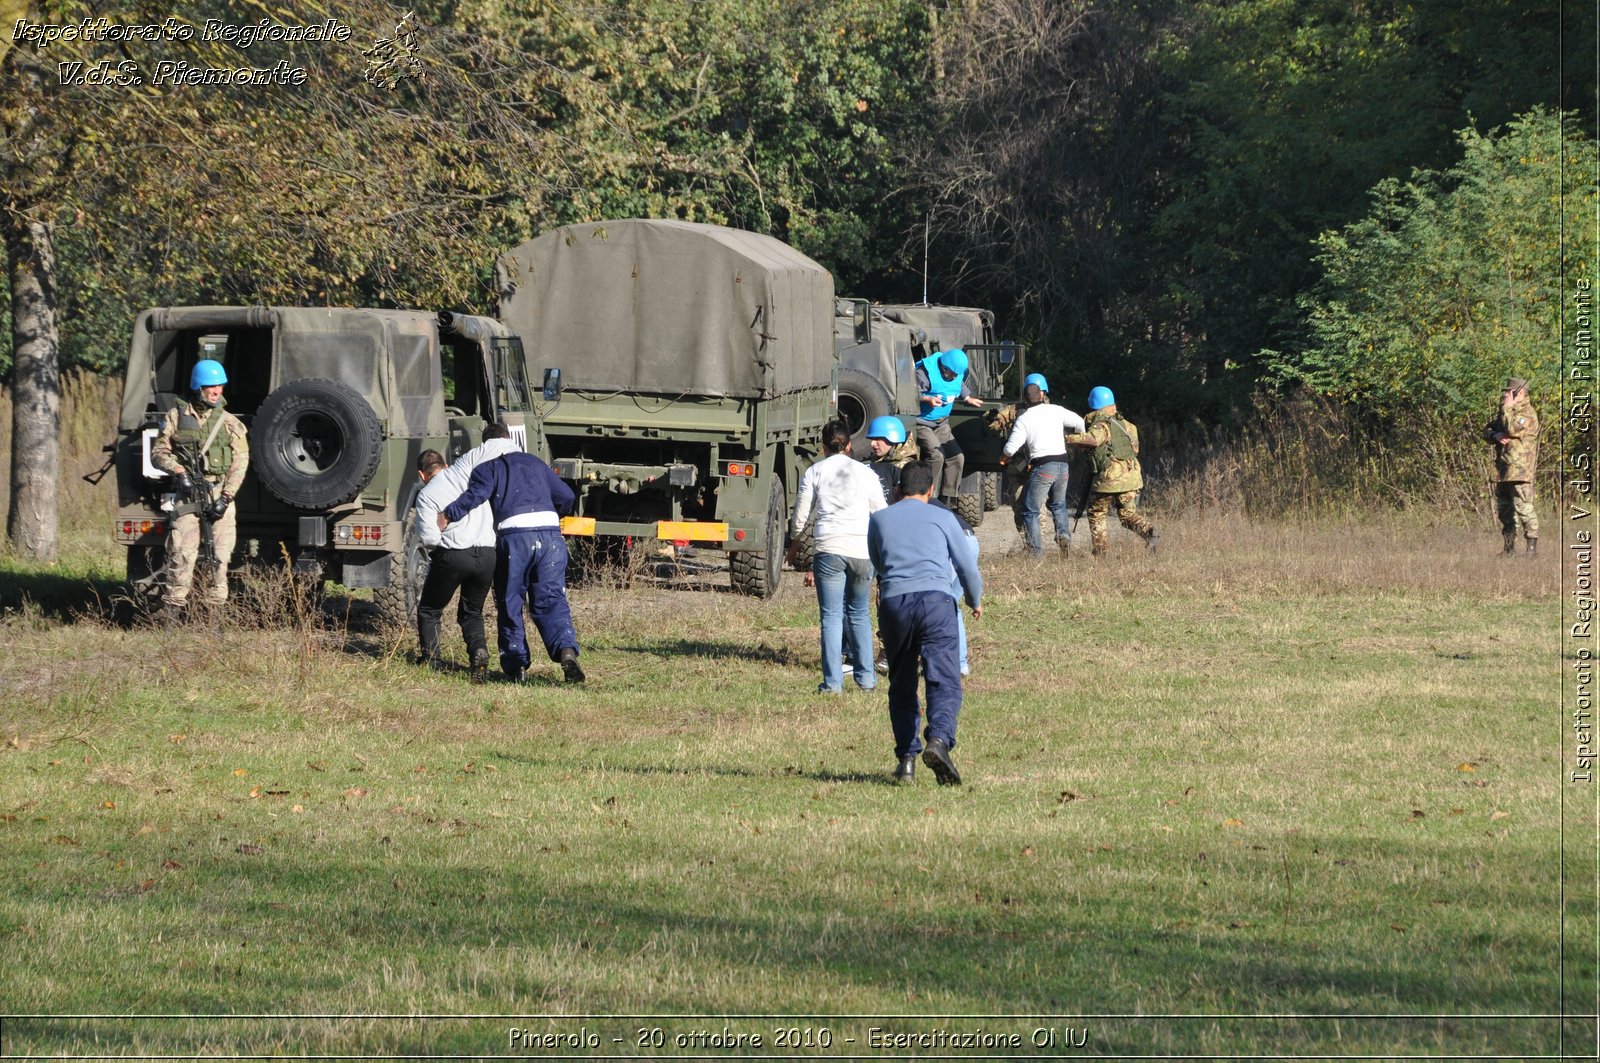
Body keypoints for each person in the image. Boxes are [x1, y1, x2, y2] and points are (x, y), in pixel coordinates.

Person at [867, 461, 983, 786]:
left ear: (898, 489)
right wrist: (975, 600)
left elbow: (878, 560)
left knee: (901, 683)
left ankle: (906, 759)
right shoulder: (944, 517)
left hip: (895, 605)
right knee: (943, 679)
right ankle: (939, 741)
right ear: (930, 490)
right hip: (936, 603)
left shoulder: (879, 519)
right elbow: (966, 566)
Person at [438, 443, 585, 683]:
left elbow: (475, 496)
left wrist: (448, 514)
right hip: (550, 536)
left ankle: (517, 666)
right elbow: (567, 496)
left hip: (515, 538)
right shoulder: (536, 463)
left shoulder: (490, 467)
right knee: (552, 599)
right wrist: (552, 515)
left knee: (511, 602)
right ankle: (566, 651)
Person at [411, 423, 521, 679]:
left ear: (421, 474)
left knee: (430, 609)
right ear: (446, 465)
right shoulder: (469, 476)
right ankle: (478, 653)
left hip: (453, 555)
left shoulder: (427, 494)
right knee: (472, 612)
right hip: (486, 555)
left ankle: (432, 658)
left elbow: (429, 537)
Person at [787, 420, 886, 694]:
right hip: (862, 551)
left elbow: (801, 516)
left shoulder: (814, 471)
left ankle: (832, 684)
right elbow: (880, 512)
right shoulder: (866, 473)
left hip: (829, 548)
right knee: (860, 613)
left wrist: (795, 544)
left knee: (831, 617)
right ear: (849, 445)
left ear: (822, 447)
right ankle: (866, 680)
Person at [149, 358, 250, 619]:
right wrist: (179, 471)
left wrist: (226, 498)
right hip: (188, 493)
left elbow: (240, 462)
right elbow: (158, 453)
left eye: (220, 386)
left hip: (218, 492)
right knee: (181, 552)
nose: (217, 391)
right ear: (198, 387)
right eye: (211, 386)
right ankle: (172, 611)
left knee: (220, 556)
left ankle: (214, 616)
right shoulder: (175, 417)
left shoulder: (230, 423)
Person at [1064, 386, 1158, 556]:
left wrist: (1067, 438)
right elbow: (1135, 450)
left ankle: (1101, 552)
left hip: (1109, 478)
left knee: (1097, 513)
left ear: (1094, 406)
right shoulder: (1129, 425)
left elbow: (1092, 440)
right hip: (1131, 476)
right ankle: (1149, 531)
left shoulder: (1101, 425)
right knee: (1128, 514)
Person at [1002, 381, 1086, 556]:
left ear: (1024, 400)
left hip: (1043, 466)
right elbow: (1079, 421)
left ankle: (1035, 553)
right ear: (1041, 395)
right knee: (1058, 504)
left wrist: (1004, 457)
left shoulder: (1023, 419)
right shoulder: (1056, 410)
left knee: (1029, 509)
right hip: (1063, 465)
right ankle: (1063, 534)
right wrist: (1079, 441)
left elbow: (1010, 449)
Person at [913, 347, 984, 504]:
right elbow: (911, 392)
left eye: (956, 375)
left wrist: (968, 398)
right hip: (922, 423)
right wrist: (927, 399)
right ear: (943, 367)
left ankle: (947, 498)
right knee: (936, 456)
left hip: (942, 423)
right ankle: (927, 497)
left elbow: (959, 386)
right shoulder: (924, 373)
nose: (953, 377)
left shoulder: (956, 375)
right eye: (951, 373)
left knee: (957, 457)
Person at [1483, 376, 1540, 556]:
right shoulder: (1506, 411)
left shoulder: (1527, 414)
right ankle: (1509, 549)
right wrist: (1494, 435)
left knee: (1524, 508)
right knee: (1505, 510)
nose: (1506, 395)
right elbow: (1487, 429)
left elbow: (1512, 429)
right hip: (1503, 470)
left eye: (1509, 392)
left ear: (1519, 393)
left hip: (1520, 470)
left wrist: (1507, 408)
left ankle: (1531, 550)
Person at [989, 372, 1049, 534]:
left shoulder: (1050, 411)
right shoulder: (1015, 410)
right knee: (1017, 503)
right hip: (1019, 466)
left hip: (1039, 465)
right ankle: (1026, 540)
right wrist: (992, 417)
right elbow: (995, 424)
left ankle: (1037, 540)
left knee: (1038, 504)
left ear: (1043, 392)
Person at [863, 415, 914, 504]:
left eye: (877, 439)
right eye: (872, 439)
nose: (872, 443)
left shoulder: (905, 469)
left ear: (893, 438)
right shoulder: (875, 461)